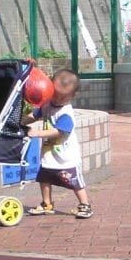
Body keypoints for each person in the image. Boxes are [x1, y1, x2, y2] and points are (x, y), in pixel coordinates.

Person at [21, 69, 92, 219]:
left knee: (75, 182)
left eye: (62, 97)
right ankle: (47, 203)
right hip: (49, 155)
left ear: (72, 96)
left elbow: (60, 131)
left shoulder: (65, 112)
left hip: (66, 157)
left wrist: (38, 133)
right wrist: (21, 122)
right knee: (44, 178)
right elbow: (34, 115)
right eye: (55, 94)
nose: (57, 100)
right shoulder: (47, 104)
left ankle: (85, 205)